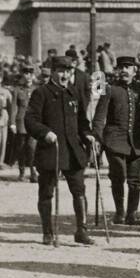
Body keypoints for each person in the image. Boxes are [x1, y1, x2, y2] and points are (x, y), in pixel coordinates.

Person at [25, 56, 96, 244]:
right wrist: (44, 132)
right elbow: (30, 120)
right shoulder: (41, 93)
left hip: (73, 151)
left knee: (79, 190)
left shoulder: (74, 93)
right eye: (61, 71)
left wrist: (87, 134)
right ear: (53, 72)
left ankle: (81, 231)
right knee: (47, 192)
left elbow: (82, 121)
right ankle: (48, 232)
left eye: (69, 71)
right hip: (51, 149)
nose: (65, 75)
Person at [93, 55, 140, 224]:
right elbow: (99, 116)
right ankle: (119, 213)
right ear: (117, 70)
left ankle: (132, 214)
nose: (124, 70)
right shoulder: (110, 89)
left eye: (128, 67)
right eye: (121, 67)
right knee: (117, 176)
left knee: (136, 179)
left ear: (134, 70)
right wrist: (96, 137)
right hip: (115, 141)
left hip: (137, 142)